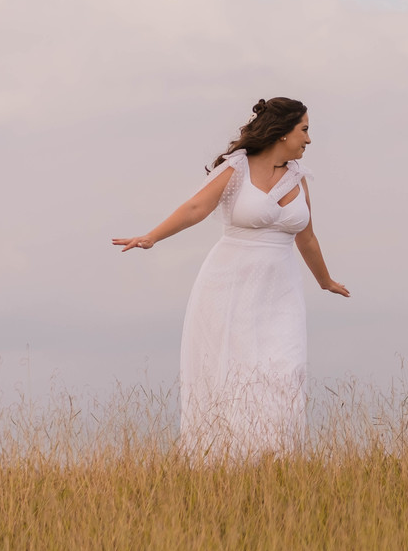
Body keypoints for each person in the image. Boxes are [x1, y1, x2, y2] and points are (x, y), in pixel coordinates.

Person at [114, 97, 350, 457]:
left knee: (285, 370)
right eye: (304, 130)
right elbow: (196, 207)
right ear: (282, 132)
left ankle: (276, 458)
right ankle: (227, 458)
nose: (308, 140)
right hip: (231, 286)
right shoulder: (237, 168)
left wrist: (325, 280)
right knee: (234, 373)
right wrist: (151, 237)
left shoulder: (299, 179)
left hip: (281, 291)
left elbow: (307, 238)